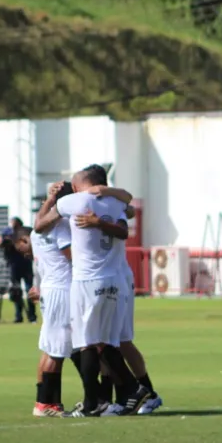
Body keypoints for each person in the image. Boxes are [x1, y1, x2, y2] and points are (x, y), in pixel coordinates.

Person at [53, 168, 150, 417]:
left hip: (88, 279)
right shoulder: (116, 202)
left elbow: (42, 222)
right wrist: (108, 196)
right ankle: (118, 395)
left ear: (78, 186)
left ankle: (102, 400)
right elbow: (127, 208)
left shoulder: (75, 201)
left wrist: (52, 198)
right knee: (108, 342)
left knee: (87, 343)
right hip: (114, 278)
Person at [80, 167, 164, 415]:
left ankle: (147, 393)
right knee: (109, 341)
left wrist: (107, 196)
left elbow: (127, 207)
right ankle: (113, 398)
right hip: (107, 280)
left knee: (119, 340)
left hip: (116, 278)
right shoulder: (91, 205)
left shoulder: (111, 204)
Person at [26, 181, 75, 417]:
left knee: (49, 348)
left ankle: (48, 402)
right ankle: (44, 404)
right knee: (56, 350)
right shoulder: (62, 226)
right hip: (61, 288)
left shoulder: (37, 230)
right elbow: (72, 257)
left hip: (49, 288)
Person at [0, 217, 37, 324]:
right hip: (13, 266)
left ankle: (32, 317)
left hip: (26, 265)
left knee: (29, 290)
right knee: (16, 291)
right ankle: (19, 316)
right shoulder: (8, 232)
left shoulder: (25, 231)